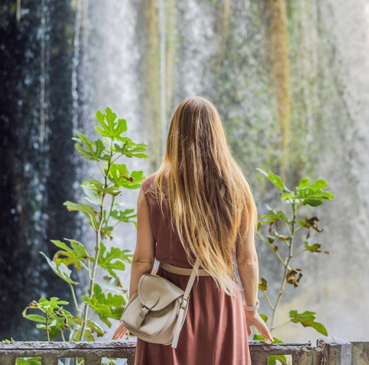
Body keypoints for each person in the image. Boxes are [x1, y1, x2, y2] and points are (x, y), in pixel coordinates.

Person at [112, 96, 272, 364]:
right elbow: (247, 258)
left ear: (175, 134)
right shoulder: (237, 188)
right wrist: (250, 308)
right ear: (216, 135)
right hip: (222, 304)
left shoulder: (152, 189)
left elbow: (142, 260)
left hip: (166, 306)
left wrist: (136, 311)